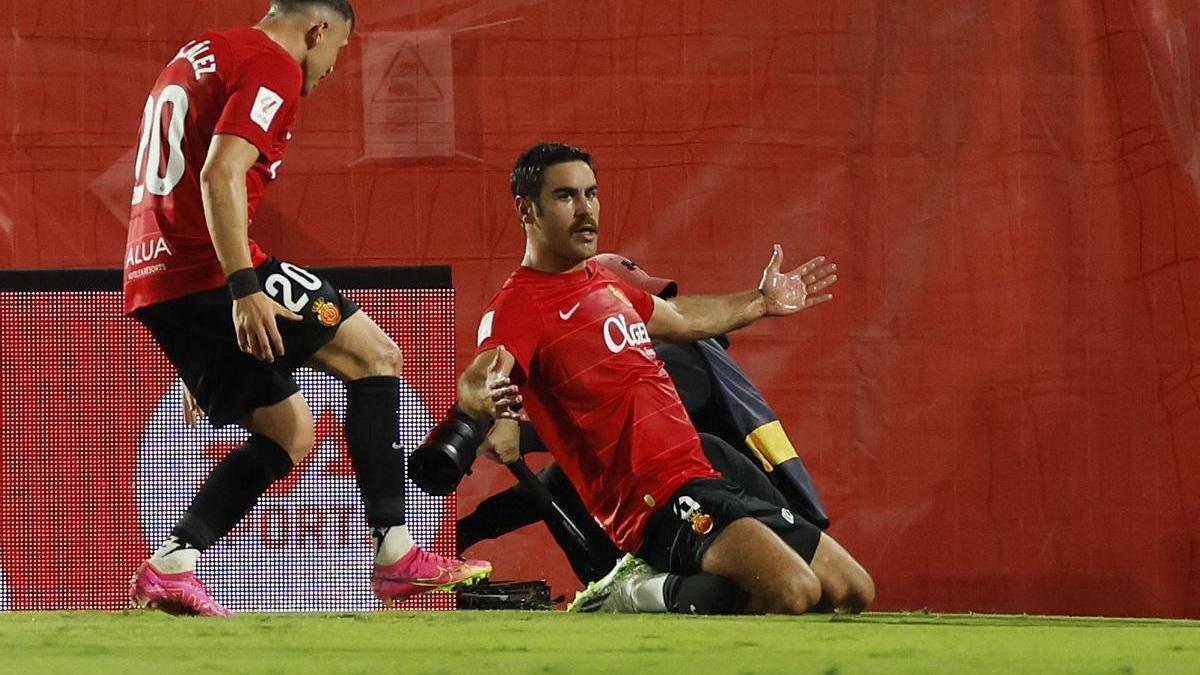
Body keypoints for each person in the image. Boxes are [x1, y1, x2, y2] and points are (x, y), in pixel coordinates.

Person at [122, 0, 489, 617]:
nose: (334, 66)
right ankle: (396, 551)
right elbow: (220, 176)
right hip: (210, 268)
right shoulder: (273, 64)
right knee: (377, 357)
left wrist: (204, 332)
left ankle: (173, 564)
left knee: (288, 431)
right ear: (319, 30)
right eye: (340, 49)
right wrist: (242, 288)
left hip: (156, 276)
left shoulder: (200, 53)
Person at [457, 142, 873, 615]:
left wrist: (760, 302)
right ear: (527, 209)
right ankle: (631, 592)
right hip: (652, 501)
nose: (585, 209)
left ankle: (660, 589)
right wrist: (490, 396)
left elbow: (678, 317)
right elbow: (480, 373)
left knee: (855, 590)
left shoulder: (605, 283)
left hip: (705, 477)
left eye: (592, 194)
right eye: (566, 196)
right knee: (794, 591)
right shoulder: (519, 305)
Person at [457, 254, 833, 596]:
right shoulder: (667, 355)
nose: (659, 309)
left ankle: (635, 590)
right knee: (580, 480)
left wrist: (520, 433)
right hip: (706, 500)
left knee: (587, 480)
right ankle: (647, 588)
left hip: (739, 494)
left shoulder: (683, 356)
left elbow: (616, 423)